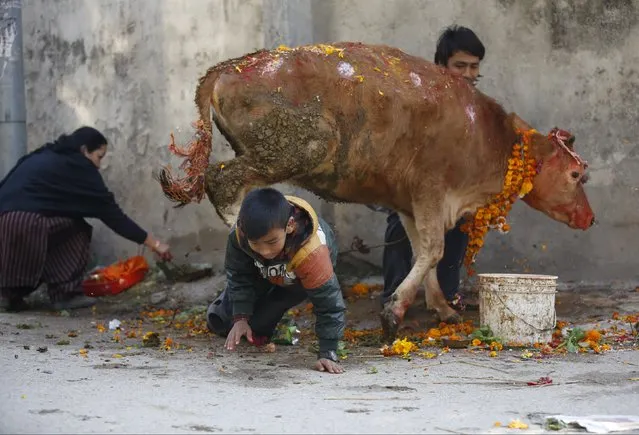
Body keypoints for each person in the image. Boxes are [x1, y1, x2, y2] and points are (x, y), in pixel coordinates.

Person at [370, 25, 486, 310]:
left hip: (444, 185)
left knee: (461, 216)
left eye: (474, 67)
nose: (468, 74)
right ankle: (394, 296)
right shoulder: (418, 96)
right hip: (402, 181)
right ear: (441, 65)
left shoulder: (475, 105)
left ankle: (444, 294)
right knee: (403, 217)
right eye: (460, 66)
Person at [0, 126, 173, 312]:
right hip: (22, 223)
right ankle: (64, 293)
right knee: (77, 230)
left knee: (66, 222)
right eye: (99, 156)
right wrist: (154, 243)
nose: (99, 165)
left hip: (4, 220)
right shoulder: (81, 168)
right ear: (84, 150)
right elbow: (113, 215)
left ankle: (9, 297)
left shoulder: (43, 155)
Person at [206, 187, 346, 374]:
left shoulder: (313, 252)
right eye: (255, 243)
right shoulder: (239, 235)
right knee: (220, 322)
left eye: (271, 242)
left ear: (289, 225)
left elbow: (329, 303)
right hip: (261, 271)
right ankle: (238, 312)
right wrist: (240, 317)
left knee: (258, 328)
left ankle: (272, 315)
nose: (264, 251)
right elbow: (239, 275)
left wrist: (328, 352)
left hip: (296, 280)